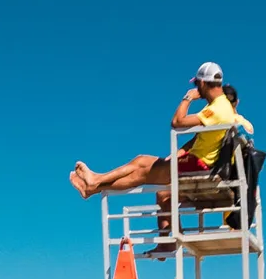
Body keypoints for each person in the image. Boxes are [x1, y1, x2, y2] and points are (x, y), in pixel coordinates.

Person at [68, 63, 254, 198]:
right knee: (141, 166)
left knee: (141, 166)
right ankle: (94, 184)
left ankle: (94, 183)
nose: (196, 89)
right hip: (200, 160)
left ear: (203, 84)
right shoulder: (221, 107)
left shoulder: (217, 108)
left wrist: (187, 98)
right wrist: (179, 152)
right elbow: (202, 137)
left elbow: (177, 122)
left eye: (196, 85)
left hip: (200, 164)